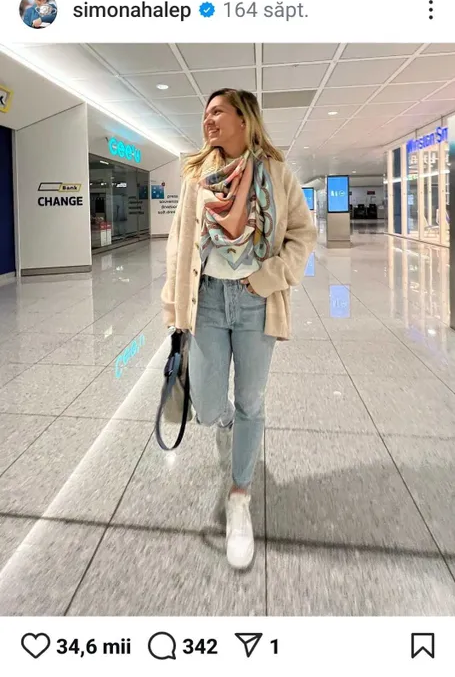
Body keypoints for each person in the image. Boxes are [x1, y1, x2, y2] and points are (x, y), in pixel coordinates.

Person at [162, 88, 317, 570]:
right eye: (205, 113)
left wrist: (269, 277)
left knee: (252, 400)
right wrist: (173, 307)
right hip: (207, 299)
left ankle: (239, 497)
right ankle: (227, 421)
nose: (208, 120)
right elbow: (179, 244)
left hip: (256, 303)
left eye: (217, 112)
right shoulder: (195, 177)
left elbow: (302, 234)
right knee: (208, 406)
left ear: (244, 119)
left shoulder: (276, 173)